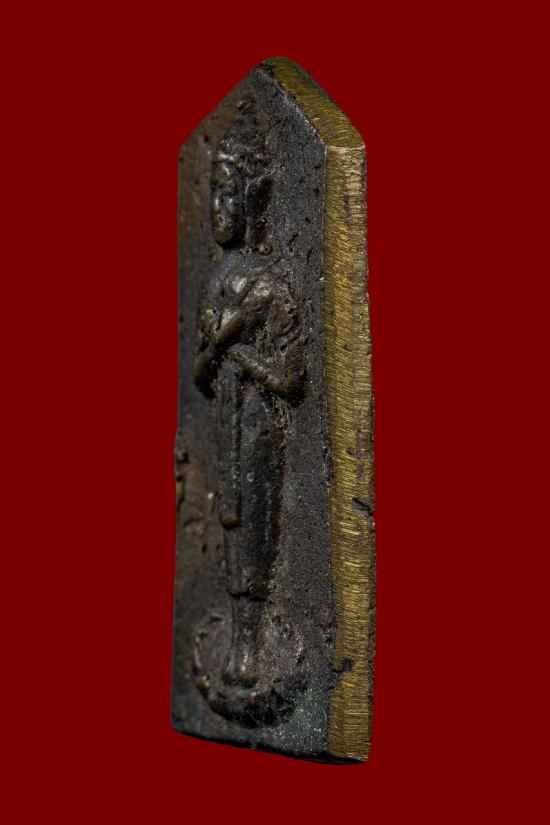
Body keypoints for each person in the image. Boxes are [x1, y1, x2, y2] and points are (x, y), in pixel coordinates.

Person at [193, 100, 303, 687]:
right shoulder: (217, 281)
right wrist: (220, 344)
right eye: (213, 194)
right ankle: (240, 643)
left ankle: (250, 646)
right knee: (229, 527)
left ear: (254, 200)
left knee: (258, 530)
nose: (218, 209)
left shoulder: (270, 286)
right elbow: (198, 374)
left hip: (259, 426)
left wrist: (237, 352)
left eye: (228, 195)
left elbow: (290, 378)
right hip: (225, 428)